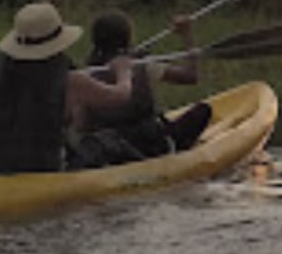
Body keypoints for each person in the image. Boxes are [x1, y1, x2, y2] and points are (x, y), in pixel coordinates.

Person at [0, 2, 136, 175]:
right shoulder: (71, 80)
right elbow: (119, 96)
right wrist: (123, 71)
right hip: (45, 172)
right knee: (107, 142)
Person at [68, 11, 213, 168]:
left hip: (113, 152)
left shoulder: (88, 76)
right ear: (127, 38)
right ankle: (176, 147)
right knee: (203, 110)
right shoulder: (143, 66)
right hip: (153, 145)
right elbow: (191, 76)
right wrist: (186, 35)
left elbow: (81, 125)